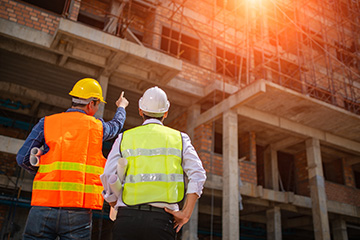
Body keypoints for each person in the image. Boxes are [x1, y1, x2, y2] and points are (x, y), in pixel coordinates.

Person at [16, 78, 129, 240]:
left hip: (43, 207)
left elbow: (22, 158)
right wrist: (121, 107)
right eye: (98, 105)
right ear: (91, 104)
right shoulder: (97, 127)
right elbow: (116, 126)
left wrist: (45, 170)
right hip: (77, 211)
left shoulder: (47, 123)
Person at [100, 86, 207, 240]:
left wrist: (113, 201)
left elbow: (108, 174)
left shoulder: (124, 138)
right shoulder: (180, 139)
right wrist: (186, 213)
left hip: (127, 219)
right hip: (162, 221)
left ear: (140, 110)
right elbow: (198, 174)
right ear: (166, 112)